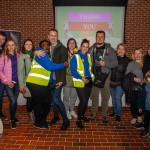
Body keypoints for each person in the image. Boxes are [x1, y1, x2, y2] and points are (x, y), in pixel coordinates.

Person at [26, 46, 68, 129]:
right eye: (44, 45)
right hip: (35, 82)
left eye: (47, 45)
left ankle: (42, 120)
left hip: (43, 83)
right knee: (39, 103)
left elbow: (50, 68)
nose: (46, 47)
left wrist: (58, 80)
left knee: (47, 102)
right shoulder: (41, 53)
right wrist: (63, 64)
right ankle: (38, 122)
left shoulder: (46, 56)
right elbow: (50, 67)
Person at [88, 30, 118, 123]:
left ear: (104, 38)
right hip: (94, 76)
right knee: (94, 96)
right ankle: (93, 113)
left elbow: (115, 63)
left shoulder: (110, 49)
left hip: (105, 76)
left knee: (105, 97)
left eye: (101, 37)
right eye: (98, 36)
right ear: (96, 37)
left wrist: (105, 63)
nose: (100, 38)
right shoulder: (91, 49)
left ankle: (104, 115)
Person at [47, 29, 70, 131]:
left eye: (55, 35)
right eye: (51, 35)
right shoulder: (46, 48)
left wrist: (61, 80)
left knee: (56, 99)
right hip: (48, 79)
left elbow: (64, 65)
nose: (53, 37)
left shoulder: (62, 49)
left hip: (57, 79)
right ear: (48, 36)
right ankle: (56, 116)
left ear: (57, 37)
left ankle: (66, 120)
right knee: (53, 100)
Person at [70, 38, 94, 129]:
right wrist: (81, 78)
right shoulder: (75, 56)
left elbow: (89, 69)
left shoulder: (88, 56)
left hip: (88, 81)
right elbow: (73, 70)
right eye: (83, 46)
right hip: (80, 81)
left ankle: (82, 115)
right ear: (80, 47)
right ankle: (79, 120)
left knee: (86, 102)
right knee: (83, 101)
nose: (85, 48)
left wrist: (92, 78)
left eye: (87, 47)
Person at [0, 39, 20, 129]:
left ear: (15, 46)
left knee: (14, 101)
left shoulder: (19, 56)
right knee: (12, 100)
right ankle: (12, 120)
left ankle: (13, 116)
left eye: (13, 45)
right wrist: (7, 81)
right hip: (8, 82)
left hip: (17, 82)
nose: (11, 47)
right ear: (6, 47)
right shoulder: (3, 56)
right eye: (9, 45)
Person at [109, 43, 130, 122]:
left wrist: (124, 83)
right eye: (119, 49)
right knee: (114, 99)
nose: (120, 51)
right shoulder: (112, 59)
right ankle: (114, 111)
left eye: (122, 49)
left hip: (120, 84)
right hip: (111, 83)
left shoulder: (128, 61)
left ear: (125, 51)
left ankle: (118, 114)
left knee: (118, 99)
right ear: (116, 50)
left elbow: (128, 74)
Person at [18, 39, 35, 123]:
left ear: (32, 46)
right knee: (30, 98)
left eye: (30, 44)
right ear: (24, 46)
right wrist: (21, 85)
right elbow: (20, 72)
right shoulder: (22, 57)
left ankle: (33, 112)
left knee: (35, 99)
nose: (28, 46)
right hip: (26, 82)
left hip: (36, 82)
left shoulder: (35, 56)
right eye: (27, 44)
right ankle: (30, 115)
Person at [126, 48, 144, 125]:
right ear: (133, 55)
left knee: (142, 102)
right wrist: (134, 78)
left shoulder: (146, 63)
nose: (137, 55)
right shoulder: (131, 63)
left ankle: (139, 116)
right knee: (134, 103)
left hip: (144, 86)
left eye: (139, 53)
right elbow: (127, 74)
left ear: (142, 54)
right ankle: (134, 116)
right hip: (134, 86)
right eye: (136, 53)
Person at [63, 38, 78, 119]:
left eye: (73, 43)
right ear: (68, 45)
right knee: (66, 97)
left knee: (73, 96)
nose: (72, 44)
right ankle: (67, 111)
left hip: (76, 80)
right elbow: (64, 67)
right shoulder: (65, 54)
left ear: (75, 45)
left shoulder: (78, 55)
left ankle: (72, 110)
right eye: (70, 43)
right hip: (67, 79)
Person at [140, 71, 150, 137]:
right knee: (146, 119)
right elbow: (141, 96)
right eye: (148, 78)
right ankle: (146, 130)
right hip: (147, 107)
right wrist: (140, 106)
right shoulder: (144, 85)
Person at [0, 31, 7, 120]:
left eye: (3, 39)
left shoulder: (4, 51)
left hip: (1, 78)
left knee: (0, 96)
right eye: (0, 38)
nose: (1, 40)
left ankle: (0, 113)